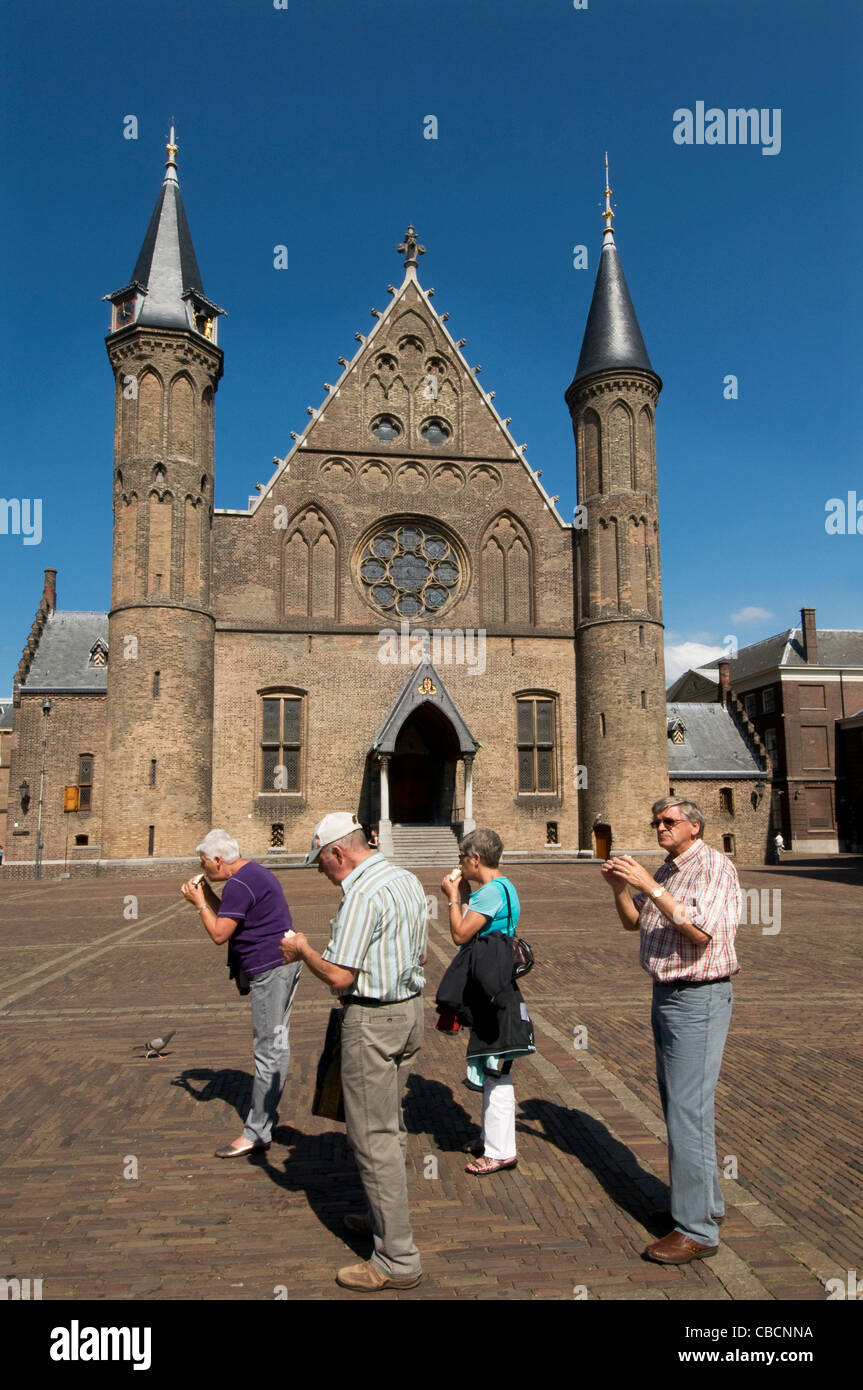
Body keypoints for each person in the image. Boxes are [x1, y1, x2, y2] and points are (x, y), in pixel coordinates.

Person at [280, 811, 427, 1292]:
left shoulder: (361, 893)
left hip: (372, 1021)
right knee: (391, 1128)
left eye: (321, 863)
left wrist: (303, 950)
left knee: (374, 1139)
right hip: (408, 1014)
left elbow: (341, 976)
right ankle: (380, 1215)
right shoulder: (404, 878)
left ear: (338, 853)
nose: (321, 872)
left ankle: (396, 1260)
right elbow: (421, 953)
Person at [601, 796, 740, 1263]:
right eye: (656, 821)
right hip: (667, 995)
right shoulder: (668, 870)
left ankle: (696, 1230)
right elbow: (633, 921)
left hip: (699, 998)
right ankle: (708, 1205)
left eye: (669, 821)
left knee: (688, 1112)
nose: (660, 827)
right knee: (681, 1107)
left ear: (694, 827)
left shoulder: (713, 868)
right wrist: (622, 887)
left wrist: (648, 884)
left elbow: (701, 932)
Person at [181, 829, 302, 1158]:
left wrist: (197, 904)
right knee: (274, 1044)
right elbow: (231, 916)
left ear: (219, 860)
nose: (202, 867)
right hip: (281, 965)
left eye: (204, 862)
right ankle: (264, 1118)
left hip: (270, 969)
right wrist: (207, 895)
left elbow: (220, 933)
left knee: (268, 1049)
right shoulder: (252, 873)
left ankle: (257, 1130)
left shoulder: (239, 883)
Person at [439, 827, 533, 1176]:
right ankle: (488, 1136)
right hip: (498, 983)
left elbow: (460, 934)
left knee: (495, 1067)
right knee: (490, 1060)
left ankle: (500, 1151)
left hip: (492, 993)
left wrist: (452, 897)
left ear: (475, 858)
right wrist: (464, 893)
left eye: (463, 859)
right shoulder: (505, 886)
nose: (461, 864)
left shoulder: (488, 893)